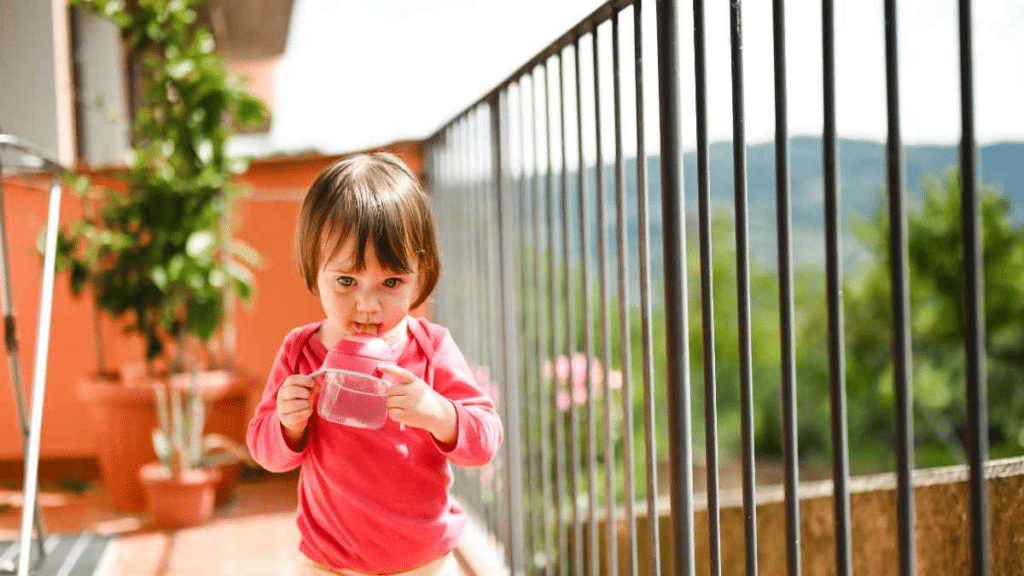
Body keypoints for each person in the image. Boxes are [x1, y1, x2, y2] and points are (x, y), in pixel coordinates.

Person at [246, 152, 504, 576]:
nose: (367, 304)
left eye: (391, 282)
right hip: (329, 565)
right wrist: (287, 426)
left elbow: (486, 438)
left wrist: (438, 413)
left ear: (421, 276)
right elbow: (264, 449)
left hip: (425, 565)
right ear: (315, 271)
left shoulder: (430, 348)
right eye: (346, 281)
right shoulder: (300, 352)